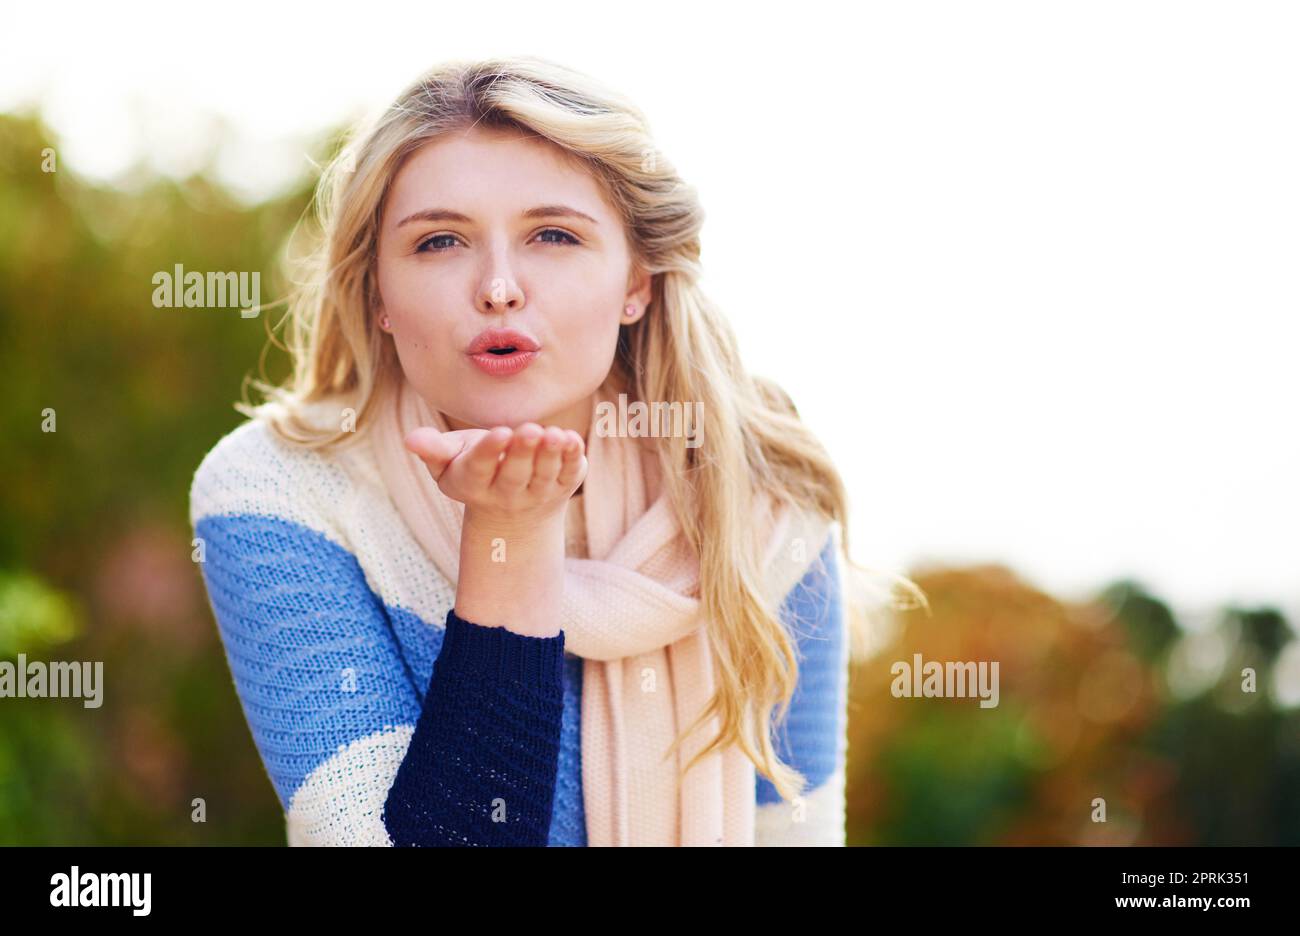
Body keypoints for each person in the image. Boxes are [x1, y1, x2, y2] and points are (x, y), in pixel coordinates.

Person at [189, 55, 864, 846]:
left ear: (636, 281)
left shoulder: (762, 506)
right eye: (440, 241)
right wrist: (510, 537)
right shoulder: (281, 492)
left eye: (553, 235)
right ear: (379, 292)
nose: (499, 287)